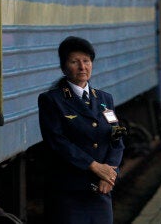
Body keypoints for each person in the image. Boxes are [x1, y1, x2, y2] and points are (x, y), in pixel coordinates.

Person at [38, 36, 125, 223]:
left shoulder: (105, 99)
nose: (82, 67)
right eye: (74, 62)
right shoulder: (52, 100)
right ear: (63, 67)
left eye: (86, 61)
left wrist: (110, 173)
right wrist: (94, 166)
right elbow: (57, 142)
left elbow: (117, 138)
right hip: (69, 192)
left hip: (101, 189)